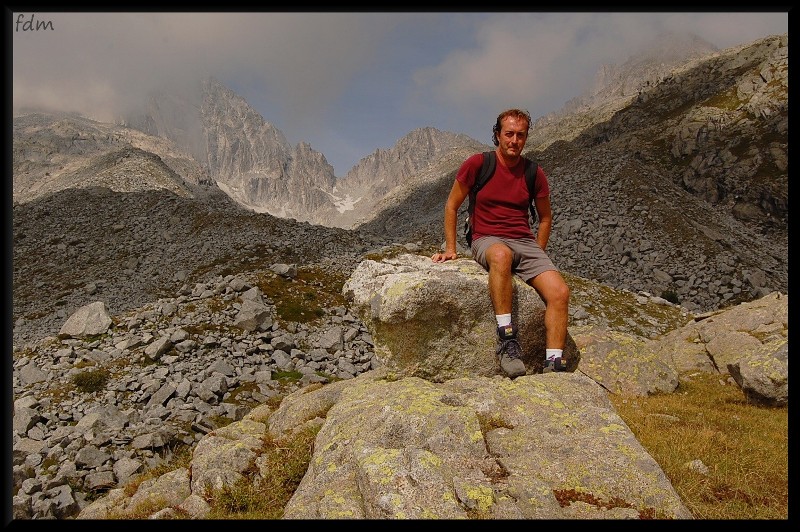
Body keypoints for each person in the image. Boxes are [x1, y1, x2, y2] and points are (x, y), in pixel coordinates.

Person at [431, 108, 570, 378]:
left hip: (524, 242)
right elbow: (451, 205)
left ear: (526, 138)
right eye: (509, 134)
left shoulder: (533, 173)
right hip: (487, 238)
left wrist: (537, 255)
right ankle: (507, 341)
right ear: (497, 135)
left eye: (520, 135)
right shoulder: (478, 164)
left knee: (560, 293)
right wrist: (451, 248)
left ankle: (554, 365)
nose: (514, 140)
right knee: (502, 256)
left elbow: (545, 218)